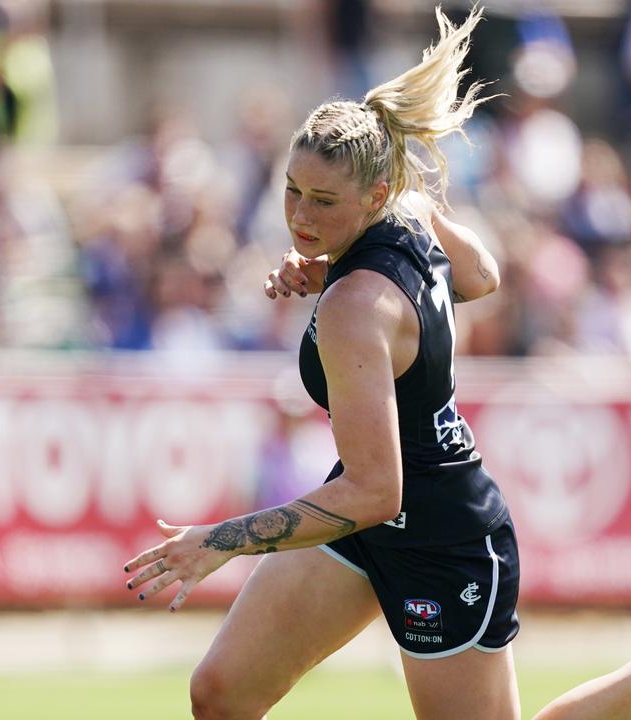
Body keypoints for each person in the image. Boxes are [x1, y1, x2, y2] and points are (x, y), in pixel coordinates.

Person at [123, 8, 523, 718]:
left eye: (324, 201)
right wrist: (338, 261)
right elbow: (482, 275)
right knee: (222, 693)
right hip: (369, 526)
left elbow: (377, 492)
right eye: (293, 192)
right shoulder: (406, 213)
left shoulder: (353, 308)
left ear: (372, 194)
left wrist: (221, 541)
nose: (300, 218)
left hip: (442, 539)